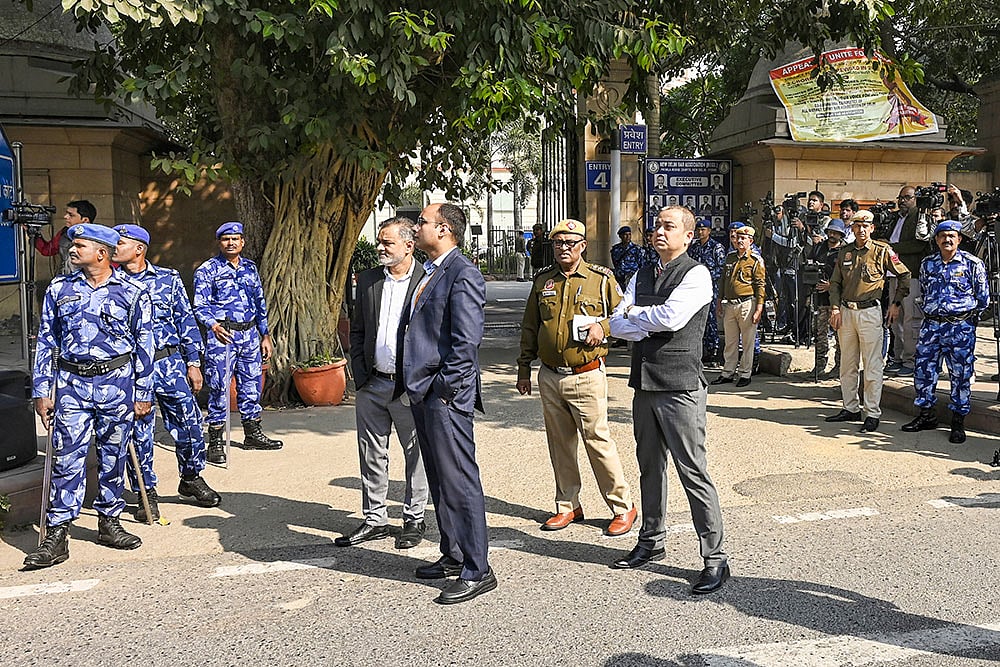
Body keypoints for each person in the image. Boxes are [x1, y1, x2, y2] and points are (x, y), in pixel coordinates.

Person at [608, 205, 729, 594]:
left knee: (692, 471)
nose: (659, 231)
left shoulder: (696, 273)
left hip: (680, 387)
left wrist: (637, 316)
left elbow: (672, 318)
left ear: (688, 236)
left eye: (669, 226)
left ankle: (715, 558)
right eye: (656, 226)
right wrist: (641, 320)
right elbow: (617, 323)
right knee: (649, 467)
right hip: (645, 383)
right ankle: (651, 540)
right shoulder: (641, 273)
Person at [24, 223, 154, 569]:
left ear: (101, 253)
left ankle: (109, 521)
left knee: (114, 455)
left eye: (80, 245)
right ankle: (57, 534)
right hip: (71, 385)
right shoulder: (59, 289)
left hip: (118, 383)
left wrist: (144, 392)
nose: (72, 249)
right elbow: (46, 341)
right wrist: (42, 390)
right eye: (73, 244)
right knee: (66, 457)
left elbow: (145, 344)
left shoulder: (133, 292)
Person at [400, 202, 496, 605]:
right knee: (440, 478)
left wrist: (443, 389)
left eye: (422, 222)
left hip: (445, 396)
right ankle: (453, 553)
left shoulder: (463, 273)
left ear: (443, 229)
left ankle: (478, 569)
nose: (415, 227)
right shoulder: (430, 270)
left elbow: (466, 342)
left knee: (458, 478)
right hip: (424, 392)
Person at [516, 218, 636, 536]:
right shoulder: (543, 280)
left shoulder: (601, 279)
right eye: (558, 243)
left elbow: (624, 313)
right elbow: (530, 326)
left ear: (582, 246)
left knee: (598, 442)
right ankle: (568, 505)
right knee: (560, 444)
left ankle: (622, 507)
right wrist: (524, 368)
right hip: (550, 375)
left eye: (570, 243)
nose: (563, 248)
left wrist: (603, 327)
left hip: (586, 375)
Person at [113, 224, 221, 523]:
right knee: (139, 432)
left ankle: (191, 477)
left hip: (169, 362)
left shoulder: (168, 278)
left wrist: (193, 363)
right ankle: (145, 491)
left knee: (189, 424)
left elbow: (185, 320)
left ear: (139, 248)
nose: (113, 247)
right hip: (133, 368)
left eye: (120, 243)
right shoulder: (111, 283)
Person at [340, 217, 429, 549]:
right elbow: (358, 329)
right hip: (372, 384)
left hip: (410, 387)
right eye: (379, 241)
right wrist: (359, 374)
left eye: (387, 242)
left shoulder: (427, 280)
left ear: (409, 245)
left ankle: (414, 518)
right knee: (371, 453)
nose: (380, 247)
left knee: (416, 454)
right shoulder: (368, 280)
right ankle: (375, 519)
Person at [193, 222, 282, 464]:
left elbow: (259, 303)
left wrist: (265, 335)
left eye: (235, 238)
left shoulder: (250, 268)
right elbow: (200, 306)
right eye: (226, 239)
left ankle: (252, 433)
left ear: (242, 242)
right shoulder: (207, 270)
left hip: (250, 335)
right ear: (219, 243)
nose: (231, 243)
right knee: (219, 387)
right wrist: (213, 325)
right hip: (223, 335)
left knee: (251, 384)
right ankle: (215, 440)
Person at [901, 220, 989, 444]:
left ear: (959, 239)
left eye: (951, 236)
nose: (947, 240)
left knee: (960, 374)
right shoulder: (928, 264)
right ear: (937, 239)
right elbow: (925, 291)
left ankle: (958, 420)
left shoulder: (973, 263)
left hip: (960, 327)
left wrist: (966, 320)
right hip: (931, 326)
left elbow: (983, 299)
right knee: (924, 370)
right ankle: (926, 415)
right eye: (942, 236)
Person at [825, 210, 911, 433]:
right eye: (857, 226)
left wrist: (896, 303)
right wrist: (835, 307)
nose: (861, 230)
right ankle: (850, 408)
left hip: (870, 312)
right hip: (846, 312)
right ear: (852, 228)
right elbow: (835, 283)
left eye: (865, 226)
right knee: (847, 364)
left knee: (872, 365)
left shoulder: (882, 251)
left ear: (872, 228)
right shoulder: (845, 252)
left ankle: (872, 413)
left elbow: (904, 275)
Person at [711, 222, 765, 387]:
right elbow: (723, 280)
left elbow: (760, 285)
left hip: (747, 303)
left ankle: (745, 373)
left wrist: (759, 308)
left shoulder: (755, 260)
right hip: (730, 304)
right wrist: (719, 301)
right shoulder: (730, 257)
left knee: (747, 342)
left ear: (751, 240)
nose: (739, 240)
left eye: (744, 238)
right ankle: (727, 372)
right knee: (730, 341)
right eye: (738, 237)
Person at [886, 185, 932, 377]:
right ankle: (897, 358)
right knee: (894, 319)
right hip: (893, 275)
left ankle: (910, 361)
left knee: (911, 319)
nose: (902, 201)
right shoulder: (895, 218)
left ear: (915, 199)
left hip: (911, 275)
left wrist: (892, 248)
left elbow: (919, 244)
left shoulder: (920, 216)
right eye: (900, 197)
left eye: (907, 197)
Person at [808, 218, 846, 378]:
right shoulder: (819, 248)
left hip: (837, 300)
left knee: (839, 335)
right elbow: (809, 267)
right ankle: (819, 366)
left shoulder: (845, 251)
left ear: (841, 235)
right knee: (819, 333)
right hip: (820, 299)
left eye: (836, 233)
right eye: (830, 232)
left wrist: (831, 285)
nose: (832, 235)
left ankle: (839, 367)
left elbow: (848, 276)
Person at [687, 218, 726, 365]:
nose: (700, 232)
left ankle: (713, 351)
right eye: (698, 229)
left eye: (703, 229)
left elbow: (721, 269)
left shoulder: (716, 247)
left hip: (711, 288)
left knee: (711, 319)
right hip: (695, 288)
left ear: (709, 231)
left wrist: (705, 277)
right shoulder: (694, 247)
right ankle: (700, 350)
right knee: (697, 319)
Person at [34, 200, 96, 275]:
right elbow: (47, 250)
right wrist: (34, 234)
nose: (65, 217)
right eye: (67, 213)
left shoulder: (97, 238)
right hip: (66, 277)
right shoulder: (64, 233)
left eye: (71, 215)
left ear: (85, 220)